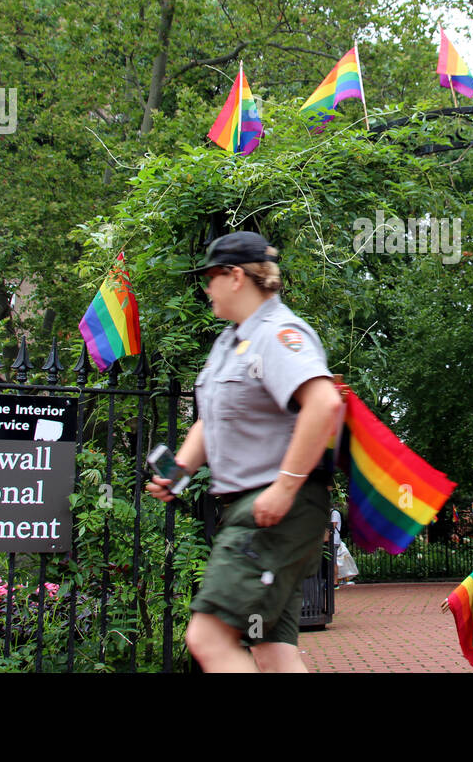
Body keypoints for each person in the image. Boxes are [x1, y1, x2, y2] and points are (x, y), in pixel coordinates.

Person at [146, 231, 343, 673]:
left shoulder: (279, 333)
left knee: (207, 636)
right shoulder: (229, 343)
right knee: (272, 651)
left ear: (235, 276)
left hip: (273, 511)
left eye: (209, 278)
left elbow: (324, 403)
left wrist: (285, 487)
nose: (205, 288)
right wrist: (179, 471)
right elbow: (209, 420)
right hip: (261, 510)